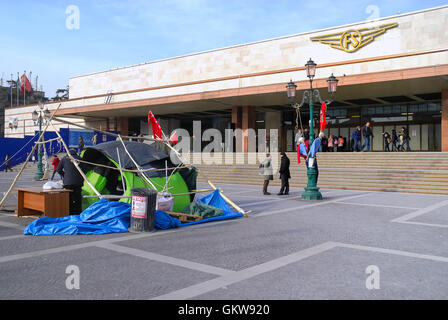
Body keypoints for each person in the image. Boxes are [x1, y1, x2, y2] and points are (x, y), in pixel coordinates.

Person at [57, 149, 86, 215]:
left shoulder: (64, 158)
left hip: (68, 183)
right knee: (78, 198)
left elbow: (58, 170)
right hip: (78, 182)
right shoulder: (80, 159)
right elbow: (85, 169)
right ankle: (78, 213)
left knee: (69, 198)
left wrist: (65, 175)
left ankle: (69, 212)